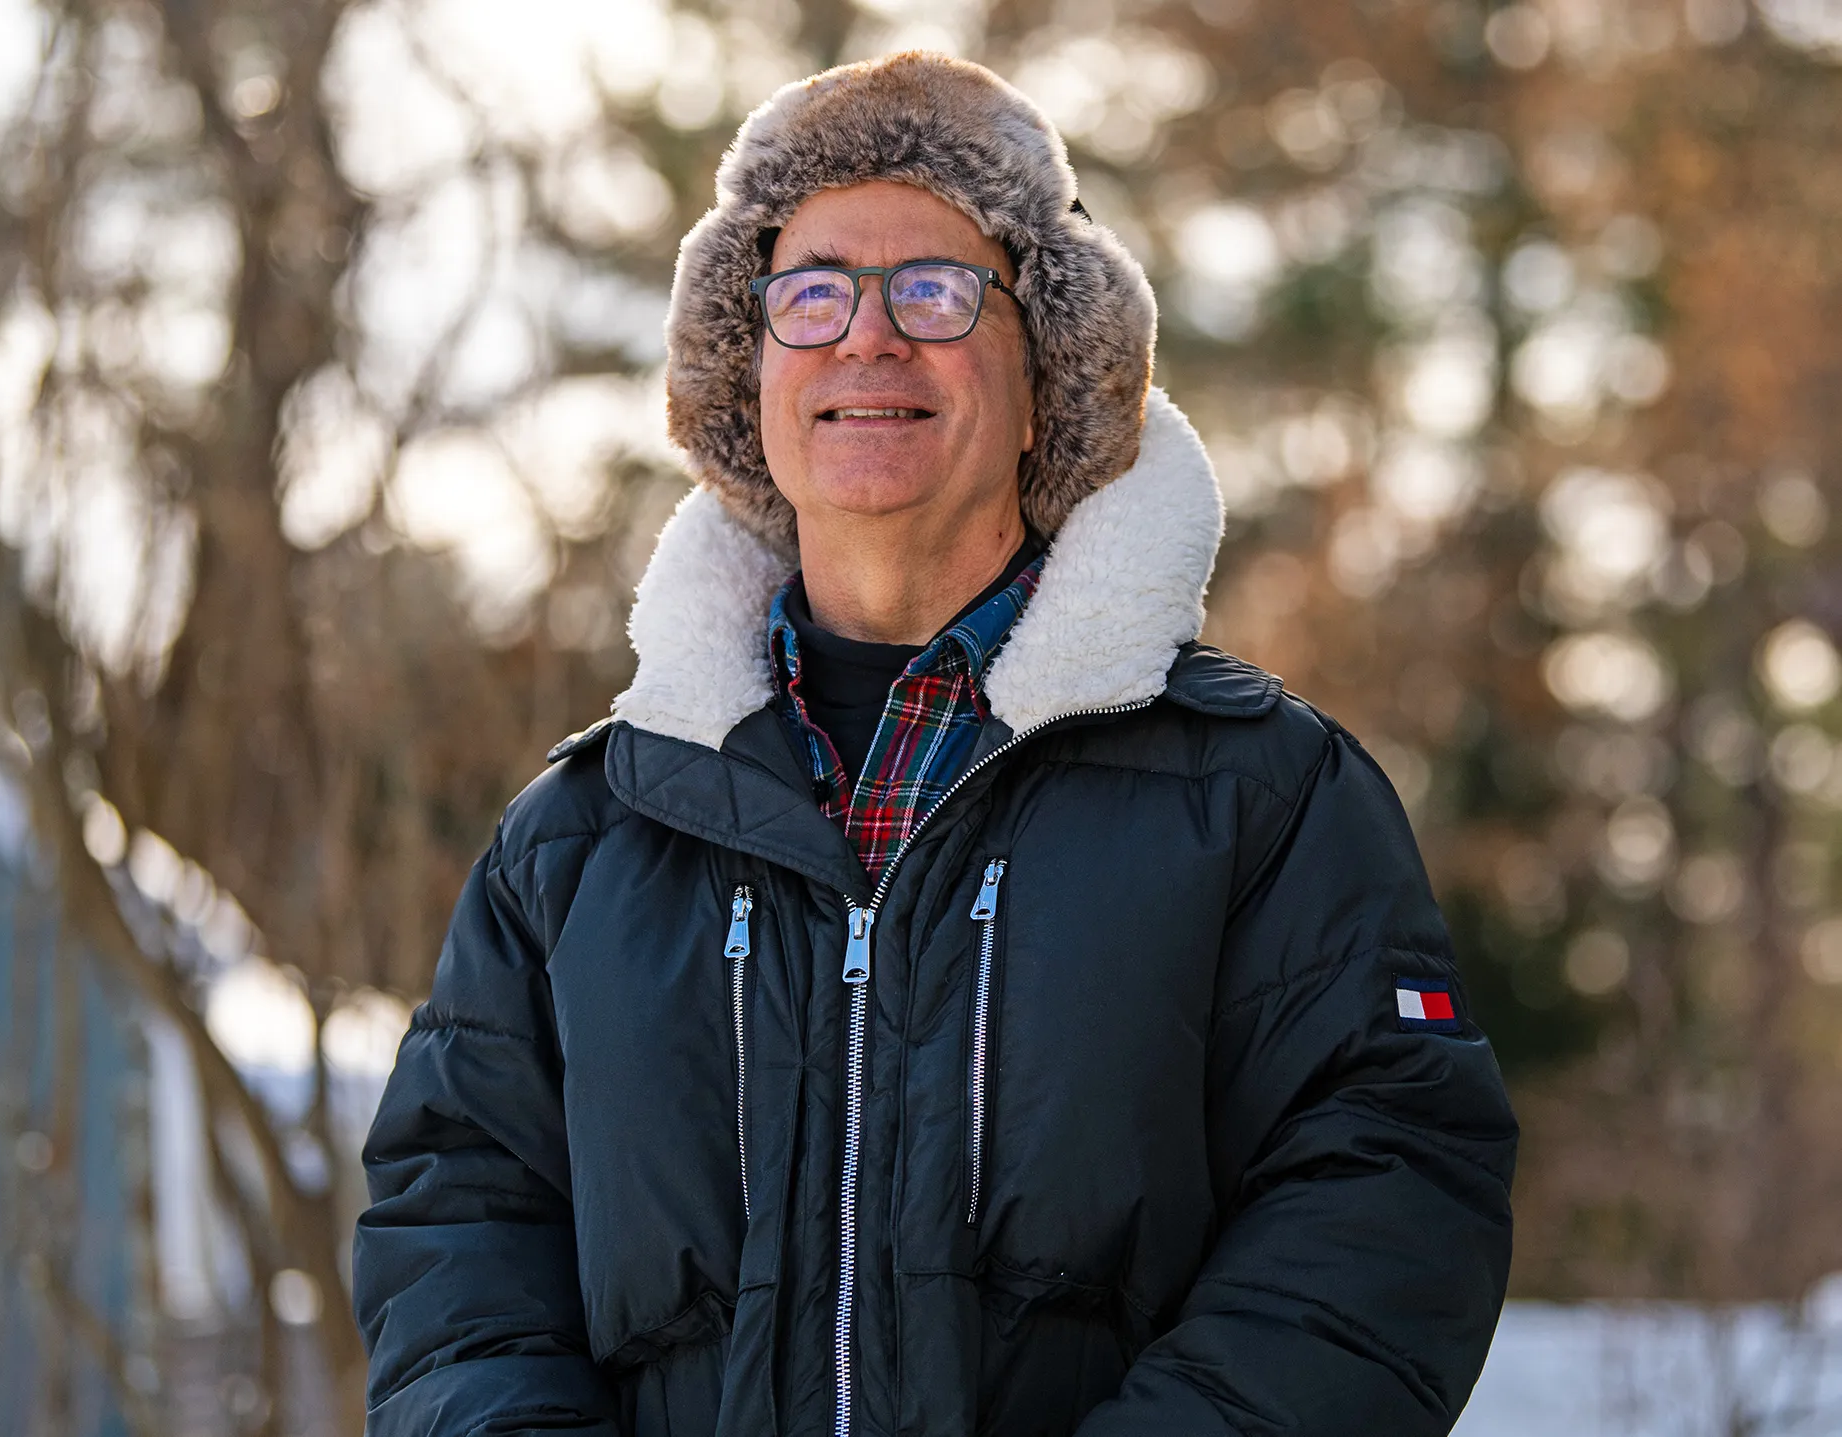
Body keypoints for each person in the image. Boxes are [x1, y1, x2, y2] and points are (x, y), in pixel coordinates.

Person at [354, 51, 1517, 1437]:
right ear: (750, 383)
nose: (866, 338)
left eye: (935, 289)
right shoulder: (582, 838)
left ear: (1051, 377)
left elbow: (1385, 1194)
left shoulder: (1262, 797)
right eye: (812, 292)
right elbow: (458, 1225)